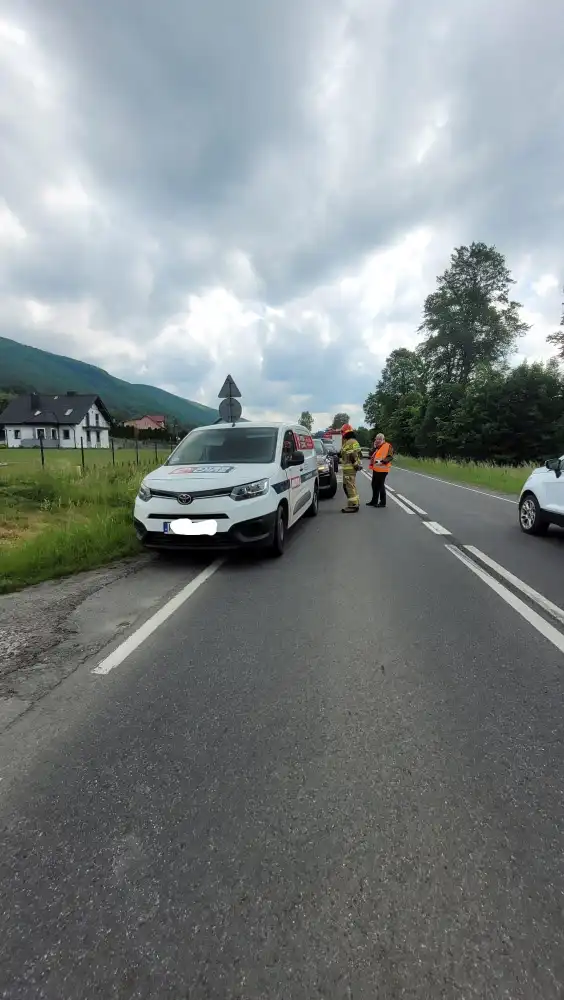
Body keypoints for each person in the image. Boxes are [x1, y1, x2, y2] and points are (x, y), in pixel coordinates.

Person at [339, 423, 362, 513]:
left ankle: (353, 505)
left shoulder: (349, 442)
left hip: (350, 468)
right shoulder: (352, 441)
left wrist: (355, 465)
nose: (342, 434)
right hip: (350, 468)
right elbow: (358, 454)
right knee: (349, 485)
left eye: (342, 432)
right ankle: (355, 503)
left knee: (349, 486)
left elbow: (353, 455)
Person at [367, 433, 393, 508]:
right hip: (376, 469)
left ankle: (383, 502)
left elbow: (390, 456)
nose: (378, 440)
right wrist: (374, 447)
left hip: (383, 469)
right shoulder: (377, 447)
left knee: (380, 485)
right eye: (377, 439)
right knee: (374, 485)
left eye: (379, 439)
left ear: (383, 440)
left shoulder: (388, 446)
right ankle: (374, 501)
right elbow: (370, 454)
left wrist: (383, 461)